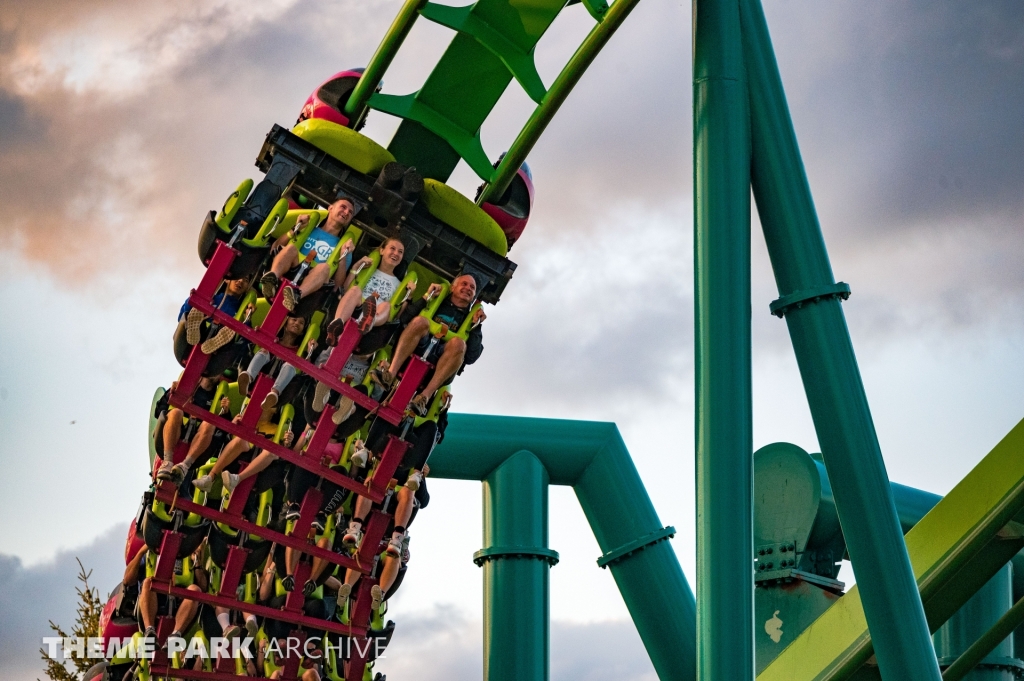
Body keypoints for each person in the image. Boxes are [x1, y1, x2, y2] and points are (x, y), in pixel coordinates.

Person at [371, 274, 484, 414]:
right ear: (453, 287)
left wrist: (476, 326)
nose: (468, 288)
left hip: (439, 363)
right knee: (420, 321)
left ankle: (424, 397)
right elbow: (405, 319)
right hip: (416, 347)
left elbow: (471, 357)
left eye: (472, 288)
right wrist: (426, 297)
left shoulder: (471, 319)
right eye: (464, 284)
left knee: (458, 343)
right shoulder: (438, 299)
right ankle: (389, 374)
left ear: (473, 296)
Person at [260, 198, 357, 312]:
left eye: (350, 212)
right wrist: (294, 229)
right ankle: (271, 280)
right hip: (291, 269)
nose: (346, 212)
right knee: (291, 248)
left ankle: (296, 296)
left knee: (324, 267)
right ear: (330, 208)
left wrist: (343, 255)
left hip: (312, 285)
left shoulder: (344, 247)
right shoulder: (308, 229)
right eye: (343, 207)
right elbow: (275, 247)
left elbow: (337, 286)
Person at [325, 236, 408, 339]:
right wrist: (356, 267)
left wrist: (409, 295)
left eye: (400, 252)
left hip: (376, 314)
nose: (396, 253)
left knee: (386, 306)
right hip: (357, 307)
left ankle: (368, 322)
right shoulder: (366, 269)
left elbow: (396, 316)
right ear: (382, 250)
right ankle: (337, 324)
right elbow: (345, 289)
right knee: (355, 290)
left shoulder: (399, 285)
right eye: (392, 248)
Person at [155, 378, 231, 485]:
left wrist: (225, 412)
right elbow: (158, 412)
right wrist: (171, 395)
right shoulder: (186, 386)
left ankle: (184, 466)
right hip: (172, 438)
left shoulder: (218, 395)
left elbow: (224, 433)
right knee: (176, 412)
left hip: (196, 448)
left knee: (209, 422)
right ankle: (167, 461)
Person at [237, 314, 307, 410]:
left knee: (292, 363)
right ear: (285, 323)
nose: (297, 323)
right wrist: (258, 334)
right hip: (264, 368)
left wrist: (310, 349)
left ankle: (274, 393)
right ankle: (247, 378)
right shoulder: (273, 340)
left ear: (302, 331)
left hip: (279, 377)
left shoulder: (299, 352)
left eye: (301, 323)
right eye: (294, 319)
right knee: (264, 351)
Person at [179, 277, 249, 355]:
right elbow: (182, 316)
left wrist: (248, 317)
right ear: (226, 279)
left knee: (232, 331)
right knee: (196, 311)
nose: (241, 281)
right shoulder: (211, 298)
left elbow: (245, 337)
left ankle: (217, 342)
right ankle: (194, 331)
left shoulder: (241, 310)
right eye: (239, 277)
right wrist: (193, 299)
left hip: (219, 348)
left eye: (246, 280)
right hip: (196, 334)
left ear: (247, 288)